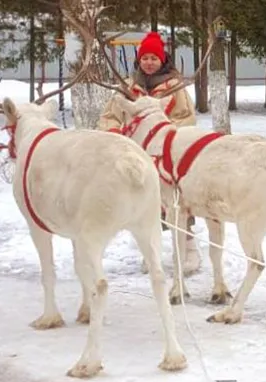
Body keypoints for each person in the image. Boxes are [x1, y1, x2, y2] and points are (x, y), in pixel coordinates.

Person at [98, 31, 201, 275]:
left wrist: (165, 135)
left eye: (154, 58)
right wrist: (116, 132)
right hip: (134, 154)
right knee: (145, 204)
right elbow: (110, 115)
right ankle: (151, 250)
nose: (149, 62)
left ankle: (189, 246)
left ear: (163, 59)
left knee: (176, 200)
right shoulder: (128, 87)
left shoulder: (174, 87)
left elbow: (187, 117)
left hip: (166, 155)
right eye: (145, 58)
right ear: (139, 59)